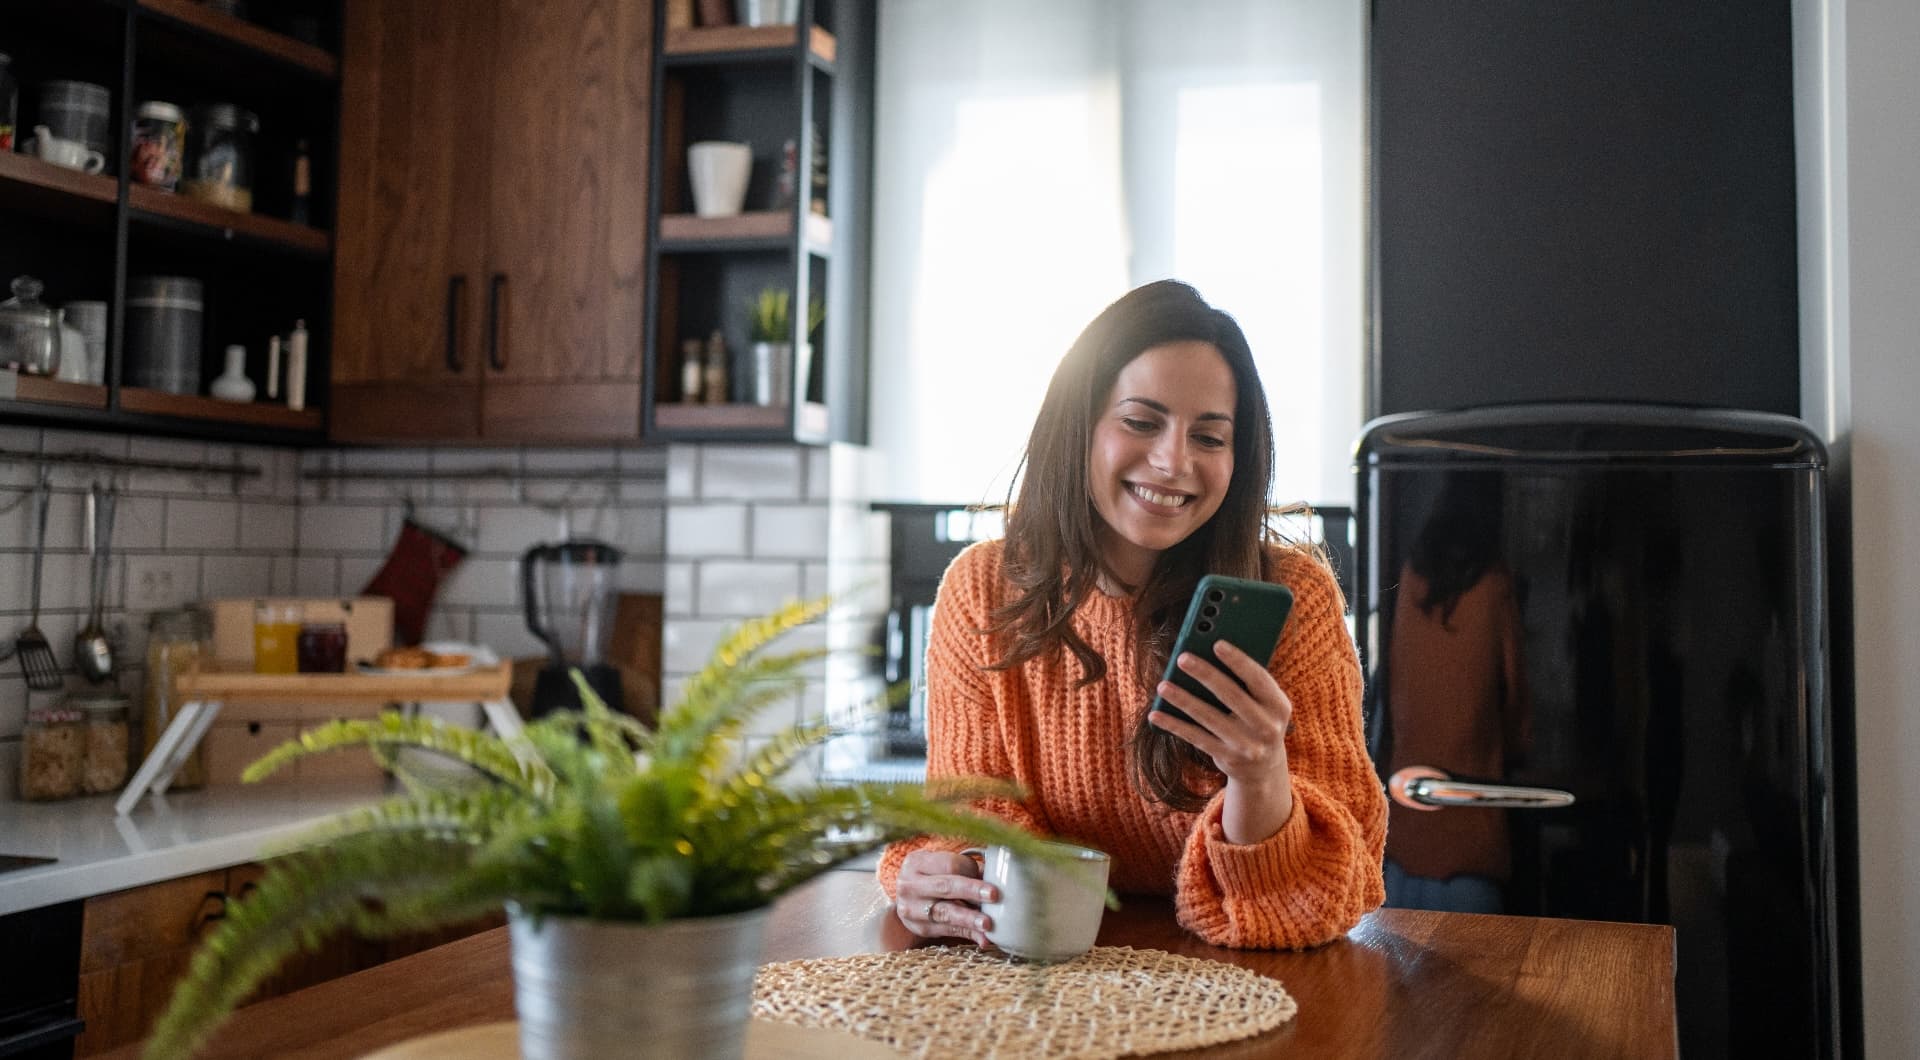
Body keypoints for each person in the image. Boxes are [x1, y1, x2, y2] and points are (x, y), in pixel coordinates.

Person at [878, 280, 1386, 950]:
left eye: (1209, 436)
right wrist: (954, 878)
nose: (1174, 462)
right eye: (1141, 422)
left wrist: (1260, 774)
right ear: (1078, 425)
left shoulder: (1297, 600)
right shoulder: (983, 590)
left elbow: (1336, 880)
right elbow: (974, 815)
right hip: (1053, 977)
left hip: (1254, 981)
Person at [1381, 472, 1531, 914]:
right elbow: (1515, 694)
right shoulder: (1494, 583)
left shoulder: (1411, 576)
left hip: (1402, 846)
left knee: (1394, 983)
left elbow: (1392, 686)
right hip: (1471, 849)